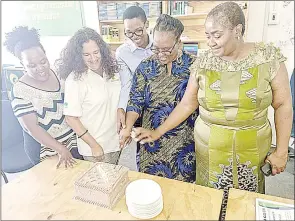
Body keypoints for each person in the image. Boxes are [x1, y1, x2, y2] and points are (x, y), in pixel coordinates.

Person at [132, 2, 293, 218]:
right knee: (209, 201)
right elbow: (188, 104)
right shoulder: (204, 62)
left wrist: (281, 151)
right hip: (209, 151)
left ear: (237, 30)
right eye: (207, 35)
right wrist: (157, 132)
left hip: (251, 150)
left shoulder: (268, 58)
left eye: (216, 35)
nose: (210, 42)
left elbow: (282, 104)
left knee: (245, 204)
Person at [119, 14, 199, 183]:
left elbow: (192, 104)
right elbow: (135, 101)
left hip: (184, 142)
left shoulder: (194, 66)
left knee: (182, 191)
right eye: (156, 48)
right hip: (151, 141)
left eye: (166, 49)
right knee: (152, 187)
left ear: (179, 42)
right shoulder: (145, 66)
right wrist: (128, 126)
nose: (160, 54)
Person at [4, 26, 82, 168]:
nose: (40, 68)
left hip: (72, 141)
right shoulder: (20, 90)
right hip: (46, 150)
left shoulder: (59, 74)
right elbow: (31, 128)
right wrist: (60, 148)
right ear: (23, 65)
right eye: (32, 65)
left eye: (43, 61)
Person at [55, 27, 134, 168]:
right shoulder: (75, 79)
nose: (93, 58)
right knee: (101, 187)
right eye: (86, 55)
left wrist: (126, 128)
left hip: (117, 141)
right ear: (78, 56)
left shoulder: (113, 70)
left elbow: (121, 100)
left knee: (116, 181)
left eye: (96, 52)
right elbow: (70, 118)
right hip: (95, 148)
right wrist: (94, 145)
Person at [116, 6, 154, 170]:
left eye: (138, 31)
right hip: (140, 106)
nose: (134, 37)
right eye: (128, 33)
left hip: (164, 103)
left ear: (147, 25)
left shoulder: (160, 43)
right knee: (144, 148)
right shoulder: (122, 53)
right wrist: (121, 108)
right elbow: (126, 84)